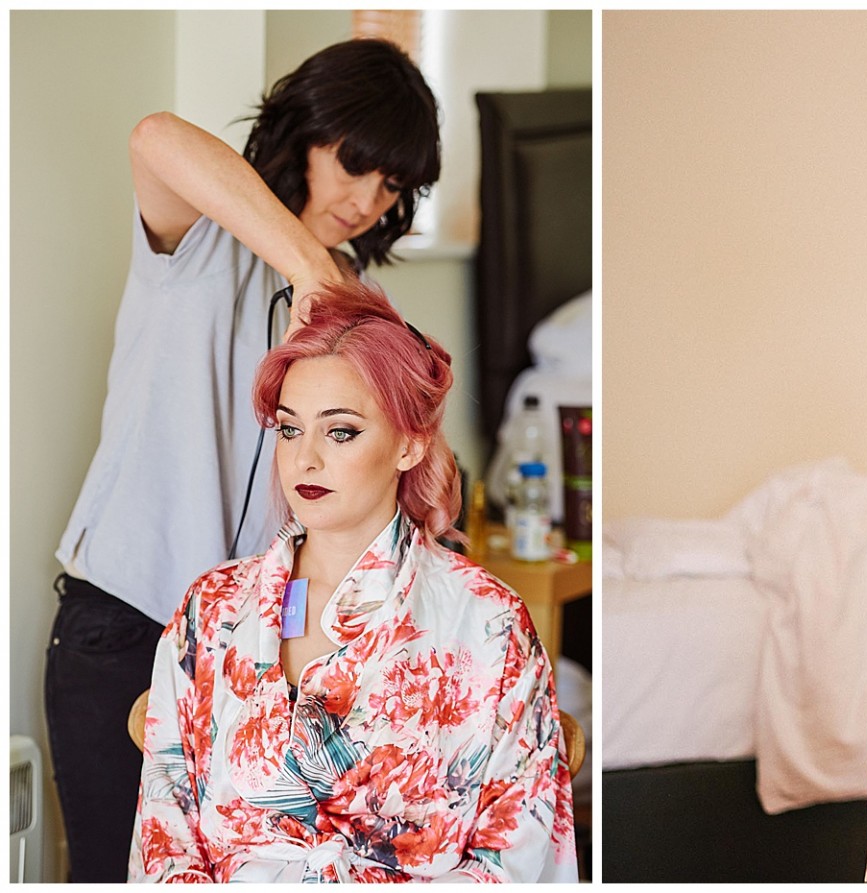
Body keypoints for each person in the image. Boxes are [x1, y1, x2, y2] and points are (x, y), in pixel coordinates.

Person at [47, 38, 439, 879]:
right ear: (309, 128)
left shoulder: (365, 316)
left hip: (256, 648)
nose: (370, 199)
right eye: (357, 163)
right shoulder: (199, 240)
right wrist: (308, 265)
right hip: (122, 620)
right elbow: (154, 137)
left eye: (393, 185)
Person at [130, 283, 578, 882]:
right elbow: (166, 835)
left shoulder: (488, 623)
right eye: (290, 430)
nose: (305, 459)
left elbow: (517, 861)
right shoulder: (209, 611)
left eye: (340, 432)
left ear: (409, 443)